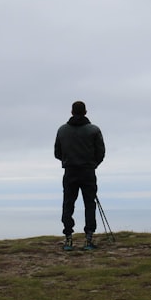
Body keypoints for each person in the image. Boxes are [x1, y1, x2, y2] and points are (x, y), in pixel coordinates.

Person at [54, 100, 106, 251]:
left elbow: (57, 153)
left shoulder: (62, 130)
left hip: (70, 172)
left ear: (71, 112)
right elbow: (101, 153)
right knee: (89, 204)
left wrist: (68, 161)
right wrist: (93, 164)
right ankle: (88, 239)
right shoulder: (94, 130)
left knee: (68, 203)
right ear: (85, 112)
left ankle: (68, 238)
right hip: (88, 172)